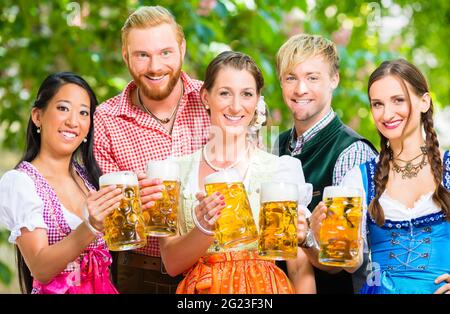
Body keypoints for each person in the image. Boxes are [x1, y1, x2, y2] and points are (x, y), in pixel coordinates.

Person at [158, 51, 316, 294]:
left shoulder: (280, 170)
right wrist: (203, 228)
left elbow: (298, 266)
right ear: (205, 97)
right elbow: (171, 263)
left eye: (246, 94)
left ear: (257, 101)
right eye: (224, 93)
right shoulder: (175, 171)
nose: (235, 106)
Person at [93, 6, 210, 293]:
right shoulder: (105, 120)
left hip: (214, 270)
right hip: (141, 274)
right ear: (126, 56)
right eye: (142, 55)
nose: (155, 66)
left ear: (182, 48)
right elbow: (102, 220)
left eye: (165, 52)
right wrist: (133, 208)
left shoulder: (214, 100)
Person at [311, 59, 450, 293]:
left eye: (398, 100)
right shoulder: (359, 178)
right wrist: (312, 238)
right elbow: (349, 262)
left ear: (424, 101)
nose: (387, 114)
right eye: (377, 104)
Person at [274, 33, 378, 294]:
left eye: (312, 77)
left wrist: (307, 234)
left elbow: (347, 259)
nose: (300, 89)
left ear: (334, 80)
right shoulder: (273, 146)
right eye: (291, 78)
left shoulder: (352, 152)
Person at [0, 72, 119, 294]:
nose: (73, 122)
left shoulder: (89, 178)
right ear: (37, 116)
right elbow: (40, 268)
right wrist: (91, 226)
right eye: (63, 108)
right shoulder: (21, 182)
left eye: (84, 112)